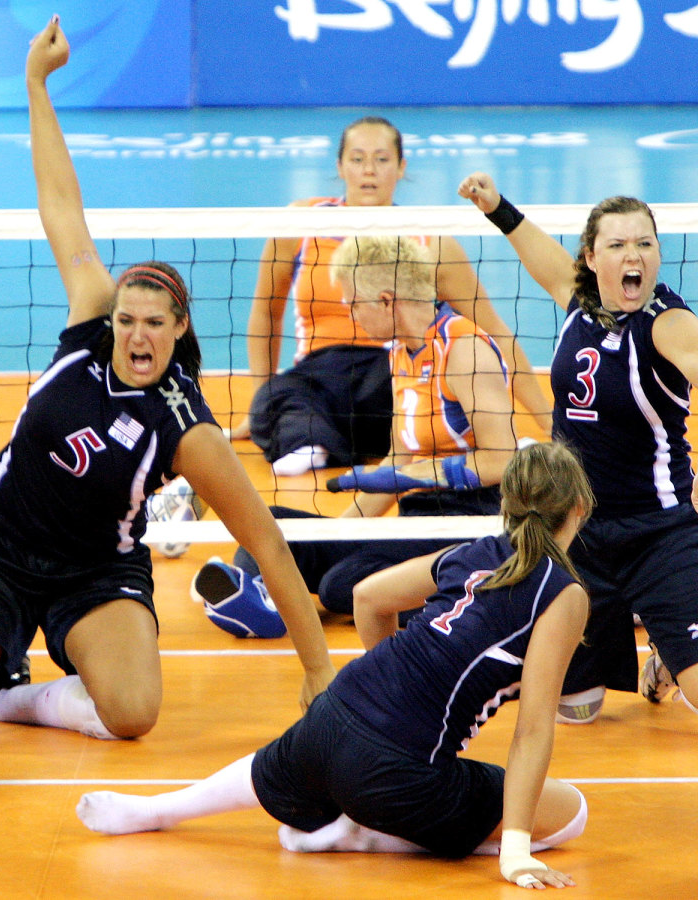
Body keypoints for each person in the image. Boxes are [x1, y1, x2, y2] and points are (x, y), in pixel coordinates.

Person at [0, 17, 336, 742]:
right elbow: (61, 206)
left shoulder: (185, 426)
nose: (136, 334)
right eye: (128, 319)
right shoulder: (88, 324)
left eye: (154, 324)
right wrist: (37, 85)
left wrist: (319, 667)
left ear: (179, 331)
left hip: (96, 571)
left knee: (132, 715)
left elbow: (263, 537)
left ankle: (14, 699)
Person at [79, 441, 593, 891]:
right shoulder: (563, 594)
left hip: (333, 712)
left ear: (506, 503)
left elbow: (368, 598)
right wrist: (517, 849)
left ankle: (157, 809)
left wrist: (390, 691)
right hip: (394, 778)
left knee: (275, 767)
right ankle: (366, 835)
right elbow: (531, 732)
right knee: (571, 814)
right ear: (578, 507)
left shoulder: (473, 552)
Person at [459, 172, 698, 725]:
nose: (632, 255)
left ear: (658, 252)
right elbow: (542, 257)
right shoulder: (579, 303)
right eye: (616, 245)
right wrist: (497, 207)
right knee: (576, 708)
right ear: (592, 258)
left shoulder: (668, 324)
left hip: (657, 528)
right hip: (577, 533)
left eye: (644, 243)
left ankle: (669, 649)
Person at [193, 234, 517, 628]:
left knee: (339, 586)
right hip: (415, 522)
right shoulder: (401, 353)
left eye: (353, 302)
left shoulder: (464, 349)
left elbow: (505, 461)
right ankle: (258, 600)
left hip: (468, 526)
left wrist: (422, 474)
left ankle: (478, 595)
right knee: (274, 526)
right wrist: (341, 531)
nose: (350, 314)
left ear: (385, 300)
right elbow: (399, 460)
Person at [233, 116, 550, 478]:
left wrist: (548, 422)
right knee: (278, 397)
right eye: (357, 159)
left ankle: (499, 443)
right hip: (318, 376)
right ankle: (310, 443)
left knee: (426, 406)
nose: (369, 170)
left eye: (382, 159)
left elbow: (494, 332)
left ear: (401, 167)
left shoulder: (432, 243)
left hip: (391, 374)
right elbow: (265, 314)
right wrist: (260, 401)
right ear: (339, 167)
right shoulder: (299, 224)